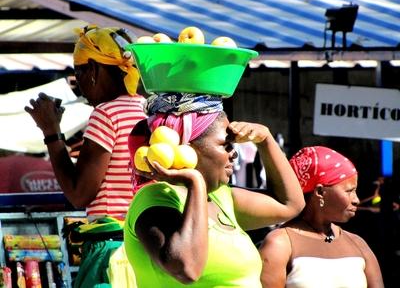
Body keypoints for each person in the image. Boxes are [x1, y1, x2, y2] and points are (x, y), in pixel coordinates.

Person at [124, 92, 305, 287]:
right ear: (188, 147)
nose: (233, 153)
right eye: (225, 145)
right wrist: (195, 181)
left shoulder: (221, 197)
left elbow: (290, 204)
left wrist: (266, 140)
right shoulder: (154, 198)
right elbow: (187, 269)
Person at [25, 25, 147, 287]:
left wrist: (51, 132)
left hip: (112, 249)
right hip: (144, 245)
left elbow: (79, 193)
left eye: (78, 71)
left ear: (93, 69)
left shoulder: (107, 113)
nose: (78, 81)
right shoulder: (146, 108)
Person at [259, 146, 384, 288]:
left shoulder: (358, 244)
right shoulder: (280, 244)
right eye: (349, 191)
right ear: (320, 192)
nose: (356, 200)